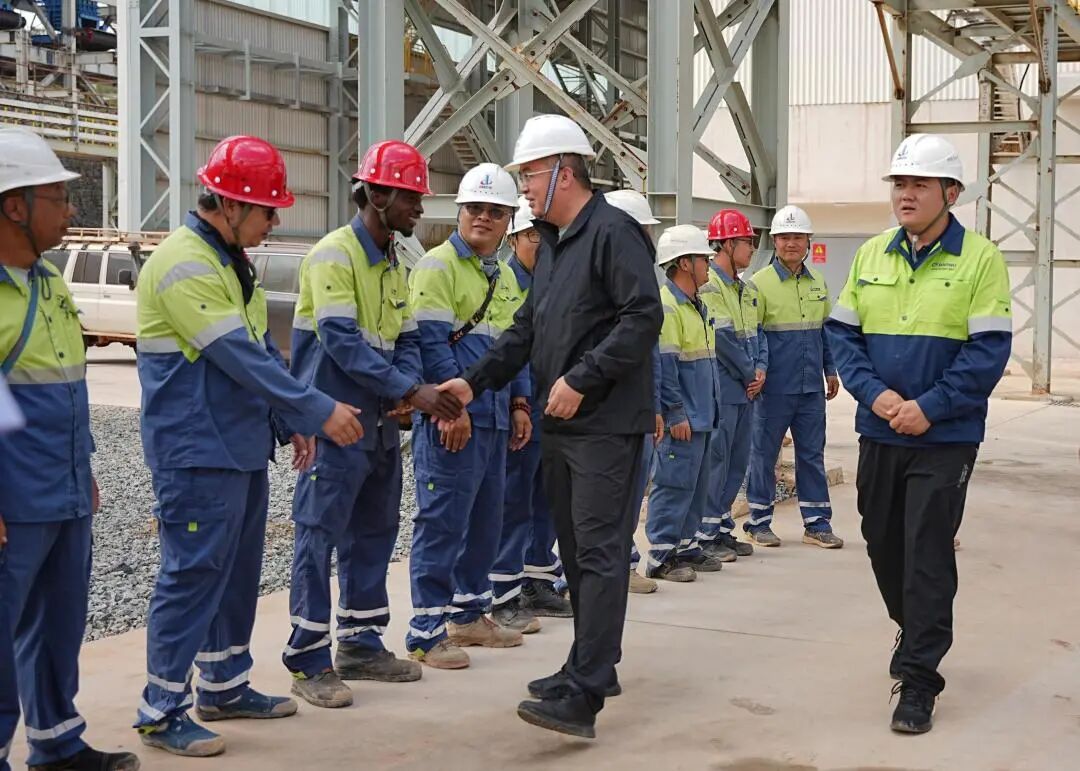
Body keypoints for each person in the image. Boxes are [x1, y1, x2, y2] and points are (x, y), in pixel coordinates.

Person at [134, 135, 364, 757]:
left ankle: (224, 685)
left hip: (234, 446)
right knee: (191, 575)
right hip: (194, 450)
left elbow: (262, 347)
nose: (275, 222)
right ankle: (160, 708)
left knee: (235, 573)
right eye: (268, 210)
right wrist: (317, 409)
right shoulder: (184, 262)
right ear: (231, 205)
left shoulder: (229, 262)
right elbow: (236, 356)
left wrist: (288, 421)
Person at [438, 113, 663, 739]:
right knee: (576, 551)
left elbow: (643, 317)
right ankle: (588, 664)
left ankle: (585, 692)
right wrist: (472, 382)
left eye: (530, 176)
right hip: (562, 426)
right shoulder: (555, 244)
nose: (524, 189)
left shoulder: (613, 233)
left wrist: (582, 378)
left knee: (598, 552)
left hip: (605, 425)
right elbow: (526, 330)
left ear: (565, 171)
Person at [825, 134, 1011, 733]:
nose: (905, 194)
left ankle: (920, 681)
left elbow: (988, 351)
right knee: (882, 541)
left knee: (927, 551)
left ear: (950, 193)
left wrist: (930, 407)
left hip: (945, 437)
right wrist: (875, 395)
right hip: (880, 429)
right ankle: (914, 628)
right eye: (899, 184)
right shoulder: (870, 255)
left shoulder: (980, 259)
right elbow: (842, 336)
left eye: (919, 185)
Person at [284, 140, 462, 709]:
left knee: (374, 532)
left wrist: (406, 389)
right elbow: (340, 343)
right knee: (319, 536)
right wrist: (410, 390)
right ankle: (309, 658)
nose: (419, 209)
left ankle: (360, 644)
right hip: (336, 422)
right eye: (411, 198)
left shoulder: (392, 262)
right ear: (377, 195)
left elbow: (405, 337)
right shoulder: (334, 256)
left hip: (380, 424)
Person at [0, 127, 141, 771]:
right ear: (15, 206)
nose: (69, 210)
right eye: (57, 197)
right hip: (14, 499)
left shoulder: (48, 282)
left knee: (58, 623)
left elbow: (67, 384)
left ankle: (57, 743)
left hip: (63, 487)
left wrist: (82, 468)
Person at [405, 163, 532, 669]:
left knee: (485, 521)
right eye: (475, 208)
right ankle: (425, 631)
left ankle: (469, 614)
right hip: (452, 422)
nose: (483, 218)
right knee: (443, 522)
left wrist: (520, 403)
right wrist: (450, 408)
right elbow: (430, 345)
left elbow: (512, 348)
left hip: (494, 418)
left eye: (495, 212)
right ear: (459, 212)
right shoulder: (437, 267)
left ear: (508, 221)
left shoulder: (503, 276)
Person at [491, 197, 574, 630]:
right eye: (531, 236)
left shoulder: (553, 282)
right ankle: (504, 592)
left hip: (552, 408)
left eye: (545, 236)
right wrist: (519, 403)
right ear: (513, 239)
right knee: (513, 503)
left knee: (546, 500)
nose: (540, 244)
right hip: (521, 411)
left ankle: (538, 580)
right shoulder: (505, 283)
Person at [743, 205, 844, 549]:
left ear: (808, 241)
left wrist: (830, 370)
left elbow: (824, 332)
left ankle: (817, 523)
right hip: (772, 388)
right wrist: (756, 373)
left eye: (797, 237)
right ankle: (758, 522)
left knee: (812, 454)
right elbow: (753, 336)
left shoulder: (818, 283)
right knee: (763, 454)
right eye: (784, 237)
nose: (791, 243)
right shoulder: (758, 284)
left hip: (810, 388)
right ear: (774, 241)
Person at [644, 225, 723, 582]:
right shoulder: (668, 307)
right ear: (685, 263)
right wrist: (675, 412)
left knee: (695, 486)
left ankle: (686, 547)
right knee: (673, 485)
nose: (708, 264)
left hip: (703, 415)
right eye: (703, 258)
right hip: (685, 417)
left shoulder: (697, 305)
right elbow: (666, 367)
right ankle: (661, 555)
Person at [603, 189, 665, 595]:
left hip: (637, 407)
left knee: (629, 493)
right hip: (607, 413)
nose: (648, 239)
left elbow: (650, 353)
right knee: (603, 498)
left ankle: (623, 565)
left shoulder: (641, 284)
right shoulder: (597, 285)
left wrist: (654, 407)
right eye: (642, 230)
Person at [695, 209, 764, 561]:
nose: (752, 248)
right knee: (717, 461)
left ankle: (721, 528)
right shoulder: (710, 285)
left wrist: (761, 368)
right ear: (726, 244)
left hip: (746, 389)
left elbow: (758, 333)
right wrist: (751, 372)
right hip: (724, 387)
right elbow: (722, 338)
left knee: (737, 462)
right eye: (746, 242)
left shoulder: (746, 289)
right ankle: (705, 535)